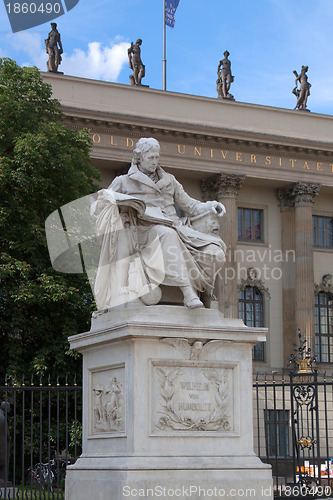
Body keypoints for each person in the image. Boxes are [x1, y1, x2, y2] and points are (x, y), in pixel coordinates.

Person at [92, 138, 226, 310]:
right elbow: (98, 206)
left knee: (216, 250)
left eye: (157, 157)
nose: (155, 162)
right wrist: (113, 202)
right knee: (166, 234)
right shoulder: (123, 181)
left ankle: (205, 291)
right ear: (139, 158)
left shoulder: (170, 180)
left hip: (176, 228)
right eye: (151, 158)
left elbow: (190, 205)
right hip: (141, 231)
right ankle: (188, 292)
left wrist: (210, 205)